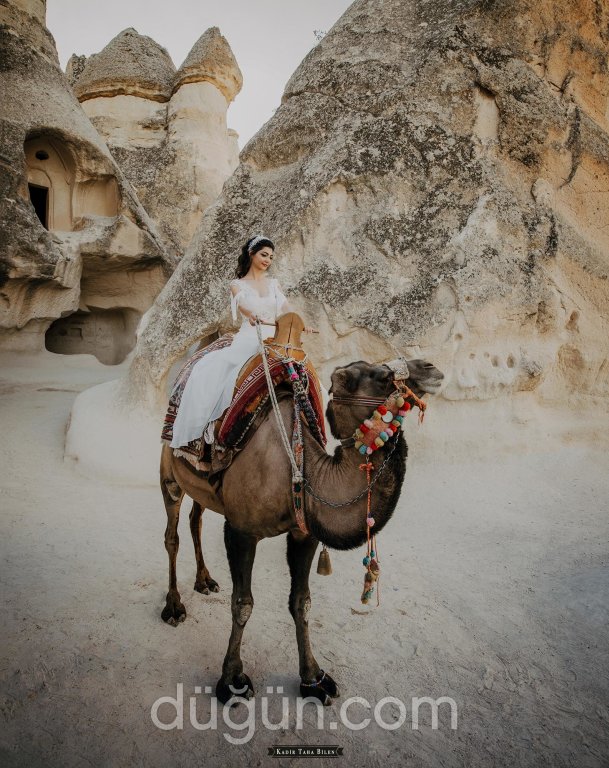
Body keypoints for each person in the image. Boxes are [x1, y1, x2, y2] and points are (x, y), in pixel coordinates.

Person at [170, 235, 291, 449]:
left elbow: (285, 308)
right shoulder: (237, 284)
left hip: (274, 338)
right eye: (264, 255)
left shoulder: (274, 284)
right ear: (251, 254)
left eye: (271, 257)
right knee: (218, 377)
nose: (268, 260)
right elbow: (243, 305)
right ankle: (215, 430)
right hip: (250, 336)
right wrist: (253, 315)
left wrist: (297, 321)